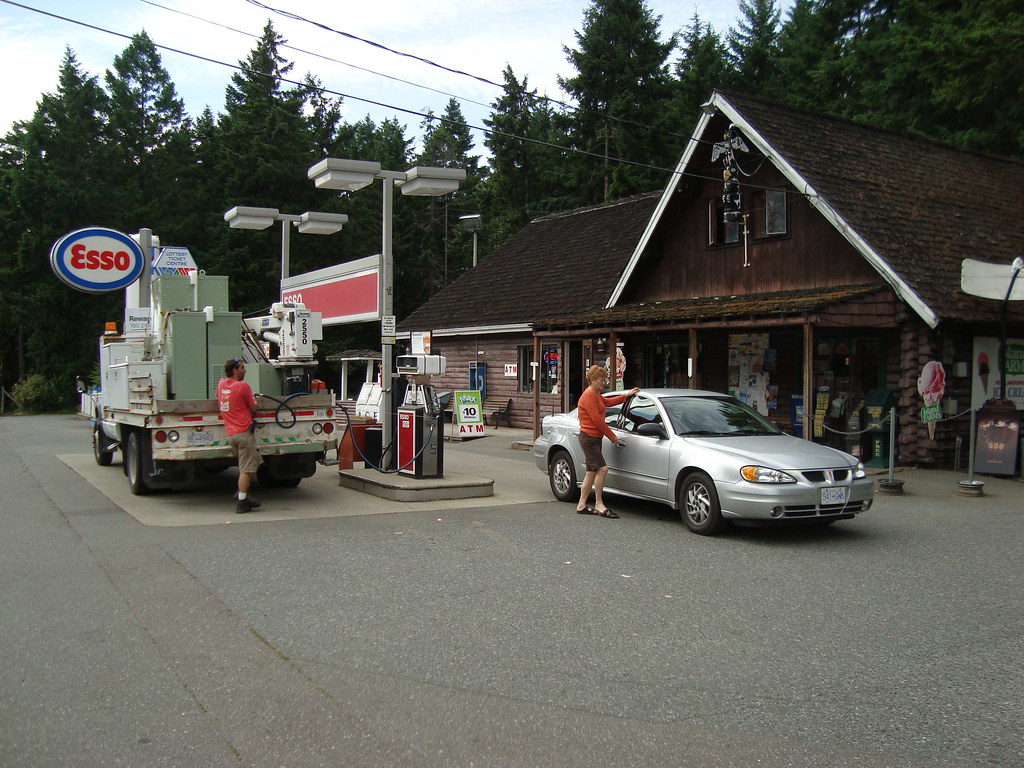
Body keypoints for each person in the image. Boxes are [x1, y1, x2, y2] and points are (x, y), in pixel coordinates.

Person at [575, 365, 639, 519]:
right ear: (593, 380)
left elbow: (608, 402)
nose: (604, 382)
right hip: (589, 438)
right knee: (602, 469)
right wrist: (613, 438)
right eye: (601, 380)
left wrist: (626, 396)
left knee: (591, 472)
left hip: (594, 438)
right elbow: (598, 421)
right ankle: (599, 504)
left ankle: (581, 505)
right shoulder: (588, 396)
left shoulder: (596, 394)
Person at [217, 358, 263, 514]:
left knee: (254, 462)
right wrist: (255, 401)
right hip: (243, 433)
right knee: (246, 469)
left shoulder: (222, 384)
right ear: (235, 370)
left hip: (231, 434)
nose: (245, 370)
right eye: (242, 368)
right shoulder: (243, 386)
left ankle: (243, 493)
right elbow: (253, 408)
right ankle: (242, 500)